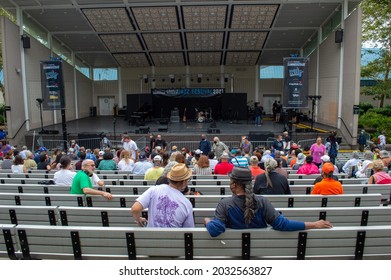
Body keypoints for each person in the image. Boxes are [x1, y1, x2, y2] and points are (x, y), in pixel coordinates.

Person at [204, 166, 333, 237]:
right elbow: (283, 225)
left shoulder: (225, 204)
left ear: (233, 184)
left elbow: (215, 230)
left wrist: (207, 221)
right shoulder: (263, 202)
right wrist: (314, 224)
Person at [131, 163, 194, 228]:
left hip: (150, 237)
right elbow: (189, 230)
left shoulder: (153, 190)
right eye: (187, 180)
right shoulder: (187, 204)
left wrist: (139, 220)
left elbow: (135, 209)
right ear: (184, 182)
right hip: (173, 237)